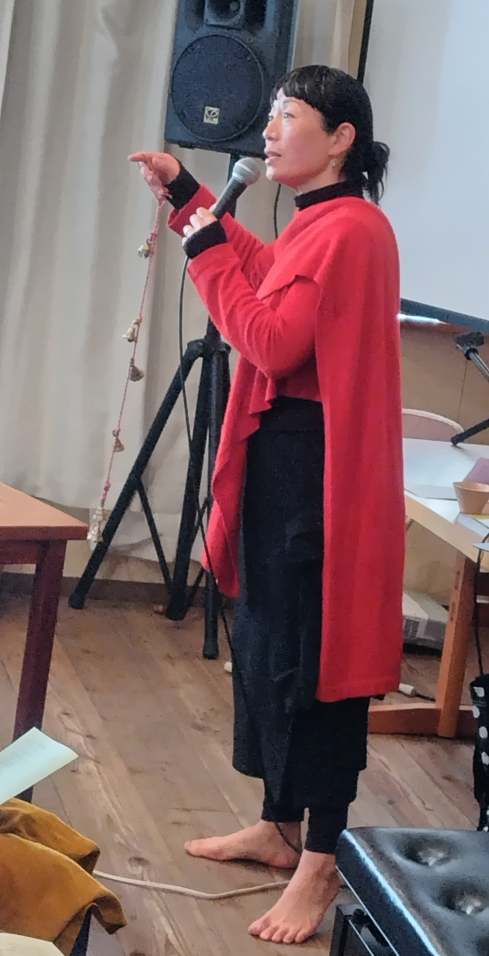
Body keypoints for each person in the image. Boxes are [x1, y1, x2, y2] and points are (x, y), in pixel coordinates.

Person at [129, 63, 405, 945]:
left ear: (340, 139)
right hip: (285, 460)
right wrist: (191, 199)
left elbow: (272, 339)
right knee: (266, 645)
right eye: (274, 115)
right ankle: (280, 829)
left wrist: (205, 249)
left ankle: (321, 861)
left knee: (309, 661)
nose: (271, 130)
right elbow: (267, 272)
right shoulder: (320, 222)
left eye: (290, 116)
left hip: (313, 469)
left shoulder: (350, 228)